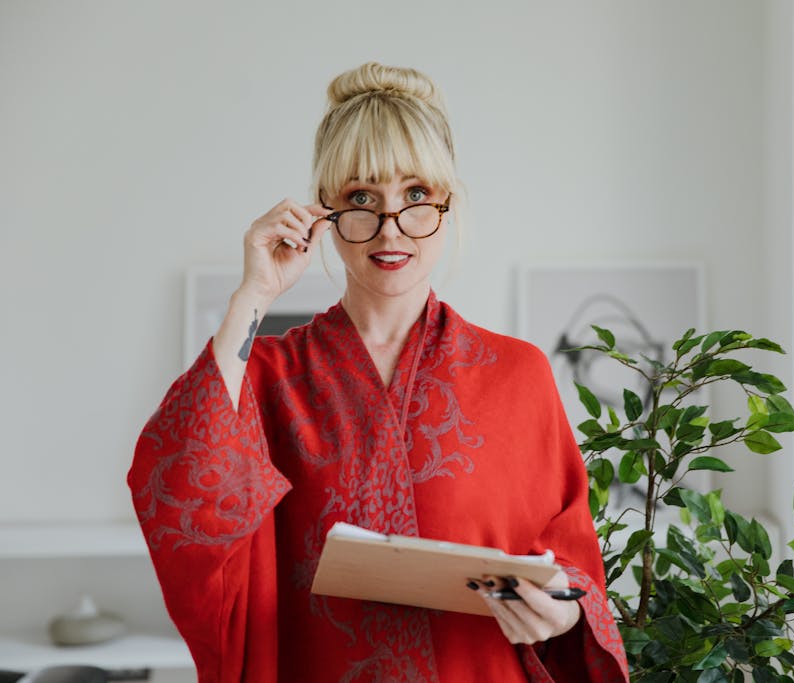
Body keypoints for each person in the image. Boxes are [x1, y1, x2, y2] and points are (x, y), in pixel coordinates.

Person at [127, 62, 628, 682]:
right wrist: (253, 296)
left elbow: (572, 564)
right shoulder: (268, 375)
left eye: (416, 196)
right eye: (362, 199)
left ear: (448, 204)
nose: (391, 228)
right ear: (325, 211)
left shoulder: (517, 375)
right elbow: (181, 494)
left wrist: (558, 615)